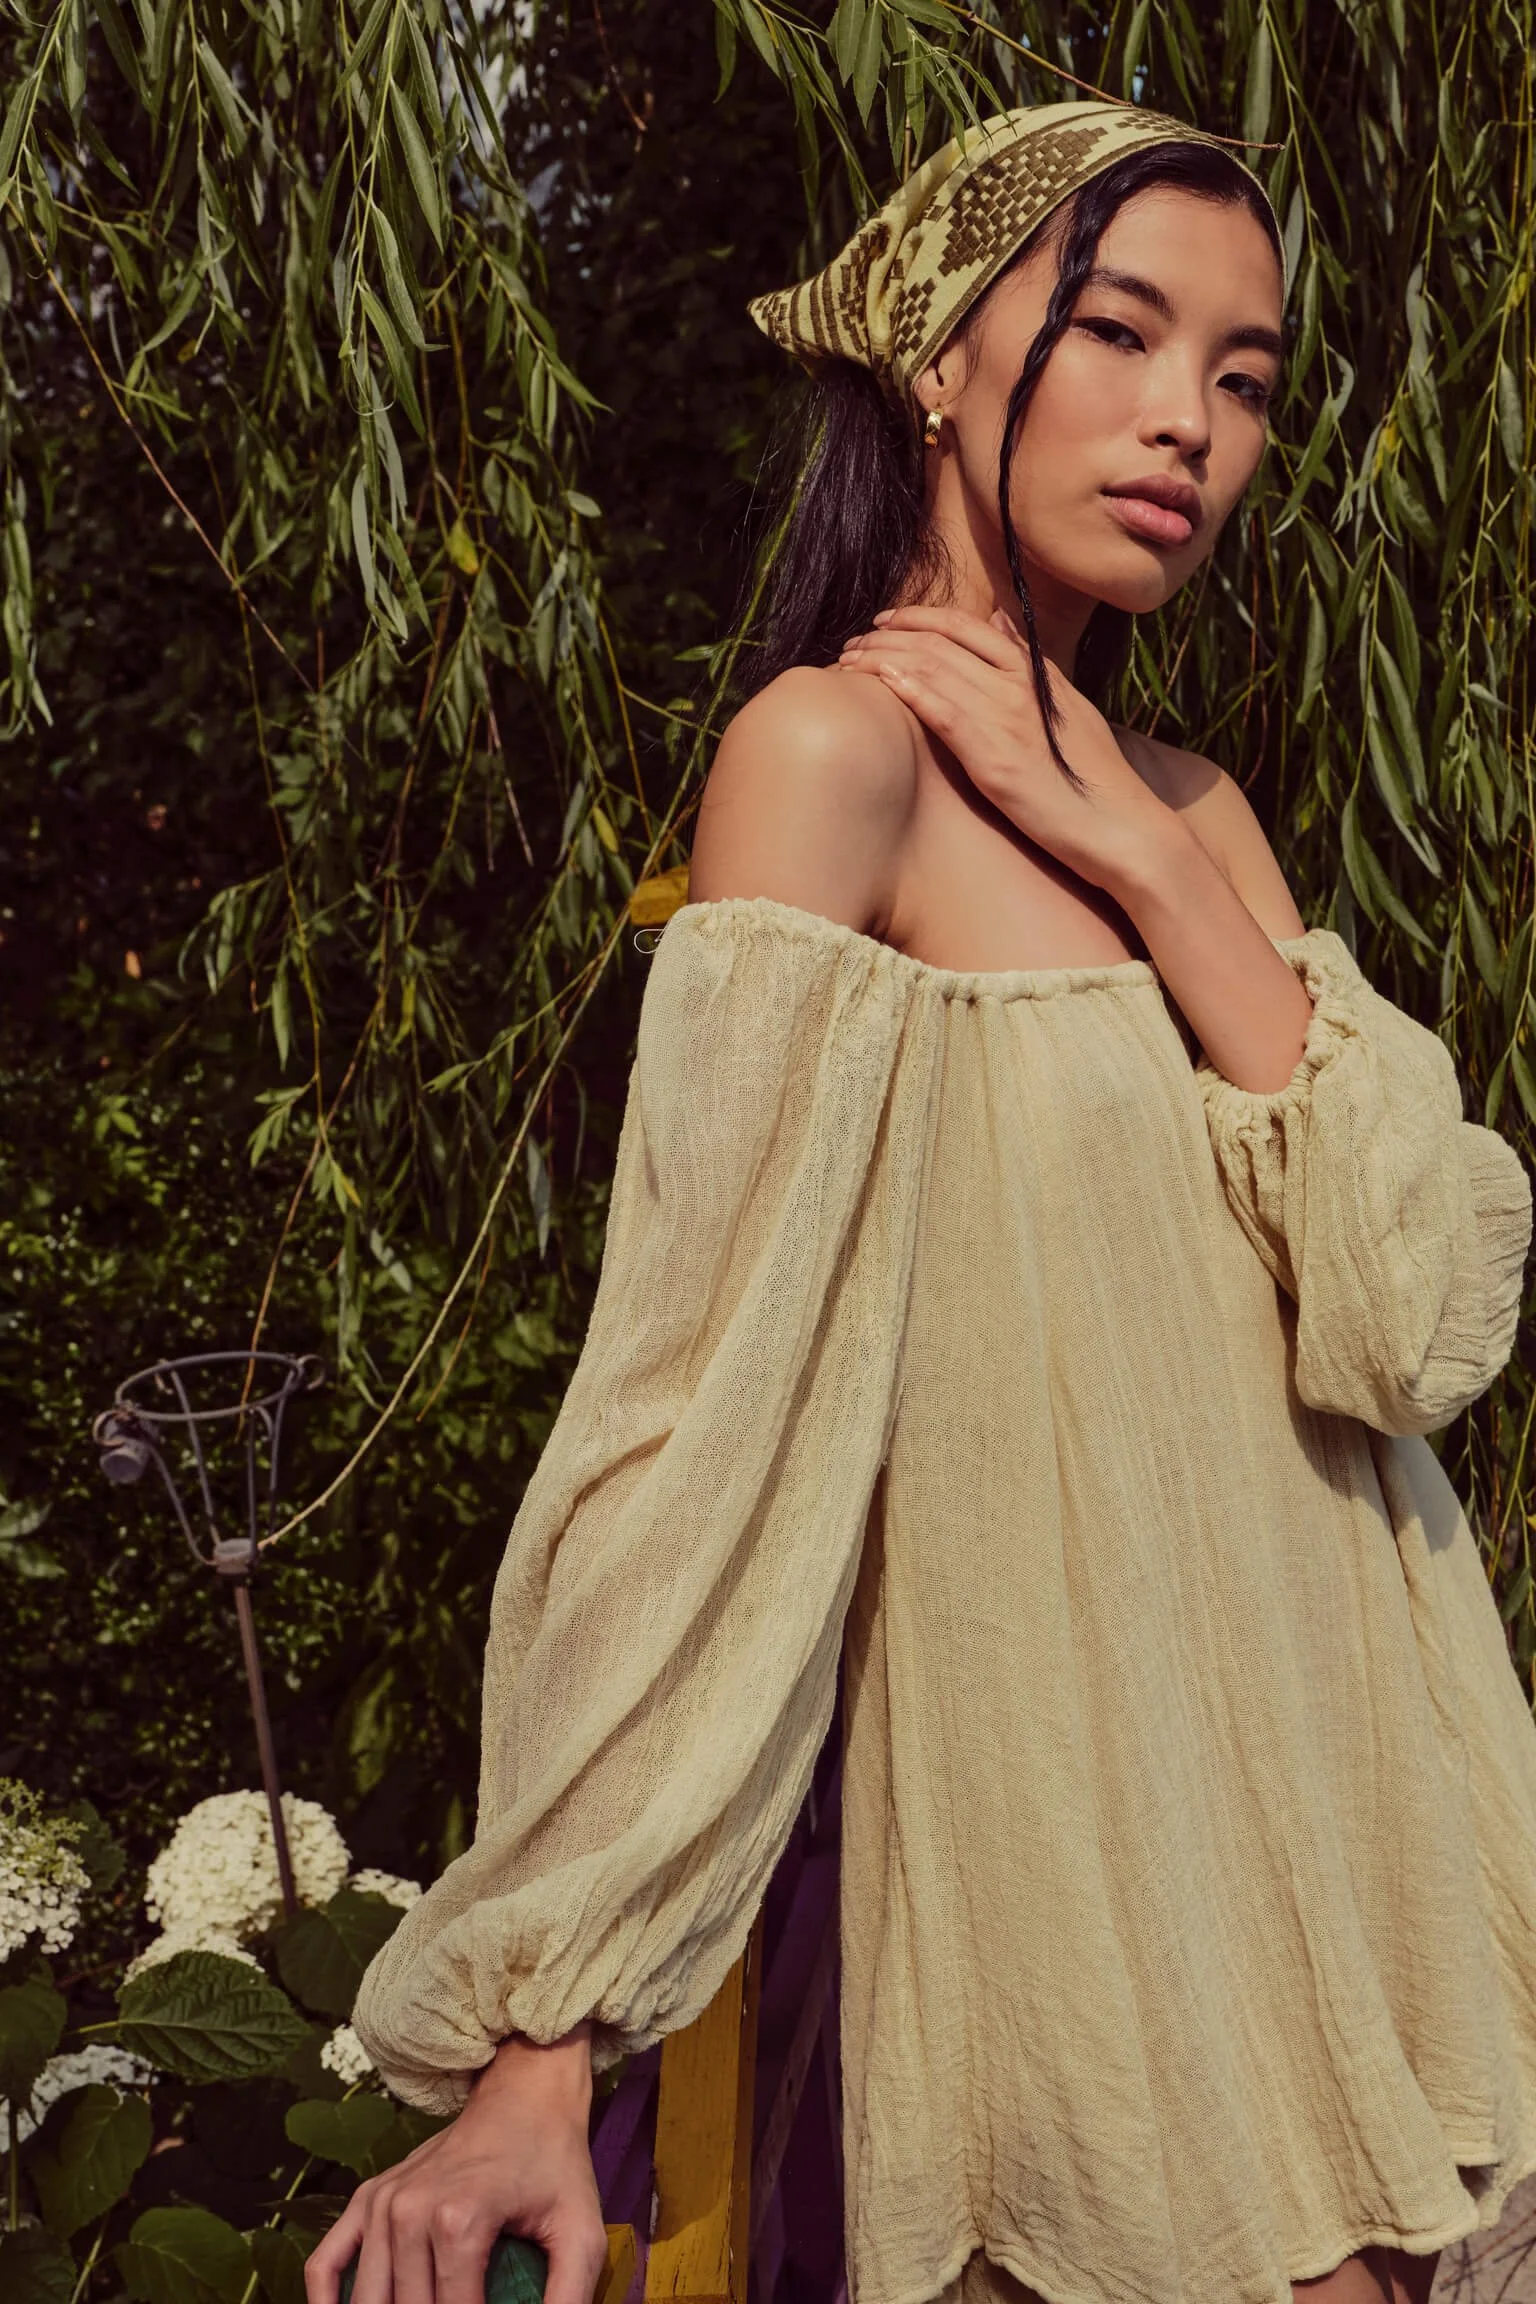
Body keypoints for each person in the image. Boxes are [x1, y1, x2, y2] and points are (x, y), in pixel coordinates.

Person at [313, 100, 1536, 2304]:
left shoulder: (1200, 810)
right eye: (1125, 333)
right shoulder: (826, 757)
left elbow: (1413, 1314)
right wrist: (536, 2040)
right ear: (941, 357)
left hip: (1369, 1821)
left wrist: (1150, 858)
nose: (1190, 423)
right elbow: (701, 1405)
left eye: (1246, 381)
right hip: (1084, 1858)